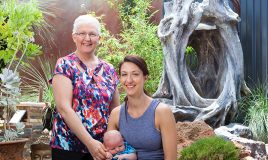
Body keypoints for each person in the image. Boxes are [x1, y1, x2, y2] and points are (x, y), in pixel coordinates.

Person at [50, 14, 120, 160]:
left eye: (92, 34)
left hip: (102, 149)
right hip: (69, 147)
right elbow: (64, 108)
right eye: (82, 33)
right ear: (74, 37)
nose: (87, 38)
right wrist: (90, 143)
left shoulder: (109, 69)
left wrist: (111, 144)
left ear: (99, 38)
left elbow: (115, 110)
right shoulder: (65, 64)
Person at [108, 55, 177, 160]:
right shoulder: (116, 114)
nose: (129, 80)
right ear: (120, 78)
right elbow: (110, 153)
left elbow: (171, 158)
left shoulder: (161, 112)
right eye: (124, 74)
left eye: (135, 74)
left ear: (145, 77)